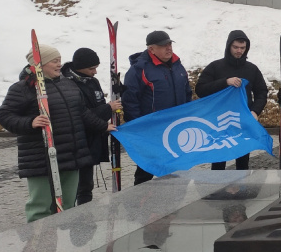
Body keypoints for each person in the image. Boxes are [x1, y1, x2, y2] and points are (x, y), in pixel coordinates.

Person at [0, 43, 113, 222]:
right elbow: (5, 116)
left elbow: (82, 112)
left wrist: (102, 126)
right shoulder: (22, 88)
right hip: (41, 158)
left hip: (71, 155)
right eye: (54, 61)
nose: (59, 64)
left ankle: (62, 247)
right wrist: (30, 122)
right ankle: (40, 244)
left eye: (59, 60)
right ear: (39, 64)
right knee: (41, 207)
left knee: (67, 206)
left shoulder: (69, 85)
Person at [123, 30, 193, 184]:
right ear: (151, 49)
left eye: (169, 44)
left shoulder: (178, 66)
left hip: (176, 128)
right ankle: (140, 202)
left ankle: (174, 203)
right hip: (152, 130)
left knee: (176, 168)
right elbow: (130, 101)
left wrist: (188, 118)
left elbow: (187, 93)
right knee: (147, 168)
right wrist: (138, 127)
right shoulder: (139, 69)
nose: (168, 48)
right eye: (163, 46)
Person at [194, 30, 269, 170]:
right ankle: (217, 189)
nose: (239, 51)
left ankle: (242, 188)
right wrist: (225, 82)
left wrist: (255, 111)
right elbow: (200, 89)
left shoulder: (252, 69)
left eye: (242, 48)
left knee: (242, 161)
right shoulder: (215, 67)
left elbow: (262, 92)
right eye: (236, 47)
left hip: (242, 121)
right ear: (229, 46)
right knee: (219, 160)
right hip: (219, 121)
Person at [62, 48, 121, 204]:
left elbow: (98, 107)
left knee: (87, 185)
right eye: (91, 68)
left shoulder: (93, 82)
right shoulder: (68, 84)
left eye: (96, 67)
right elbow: (81, 114)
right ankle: (74, 217)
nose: (95, 72)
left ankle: (85, 216)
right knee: (77, 186)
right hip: (77, 142)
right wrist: (108, 108)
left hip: (93, 139)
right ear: (79, 67)